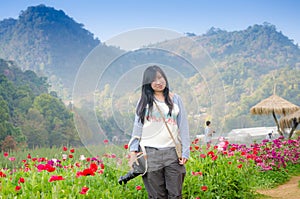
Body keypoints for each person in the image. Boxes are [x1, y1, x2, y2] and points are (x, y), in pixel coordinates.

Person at [128, 65, 190, 199]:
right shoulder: (144, 101)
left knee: (175, 194)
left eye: (160, 77)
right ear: (148, 83)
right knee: (157, 196)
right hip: (150, 154)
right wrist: (133, 151)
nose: (159, 82)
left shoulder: (176, 99)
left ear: (165, 78)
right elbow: (137, 127)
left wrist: (185, 151)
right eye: (154, 80)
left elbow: (183, 126)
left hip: (172, 153)